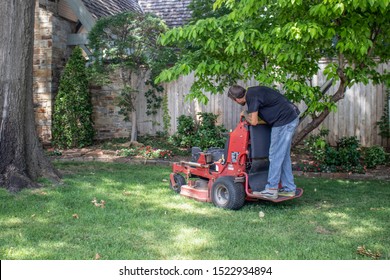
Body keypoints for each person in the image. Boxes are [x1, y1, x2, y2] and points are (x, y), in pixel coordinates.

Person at [228, 85, 300, 199]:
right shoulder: (253, 92)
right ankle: (289, 188)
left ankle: (271, 189)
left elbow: (254, 121)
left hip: (283, 122)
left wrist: (245, 114)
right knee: (283, 156)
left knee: (275, 155)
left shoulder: (251, 97)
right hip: (289, 118)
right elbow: (262, 117)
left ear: (236, 99)